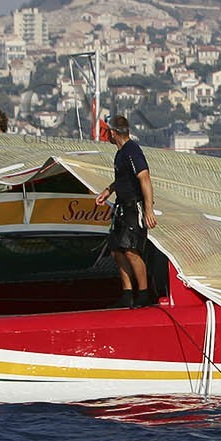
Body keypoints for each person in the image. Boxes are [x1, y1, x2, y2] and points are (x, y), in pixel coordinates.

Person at [94, 115, 157, 307]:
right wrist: (108, 190)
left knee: (131, 250)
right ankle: (127, 292)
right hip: (121, 205)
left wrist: (148, 210)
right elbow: (123, 179)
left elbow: (144, 178)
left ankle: (144, 293)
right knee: (116, 249)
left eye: (108, 133)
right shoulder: (120, 154)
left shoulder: (132, 151)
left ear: (113, 133)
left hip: (133, 206)